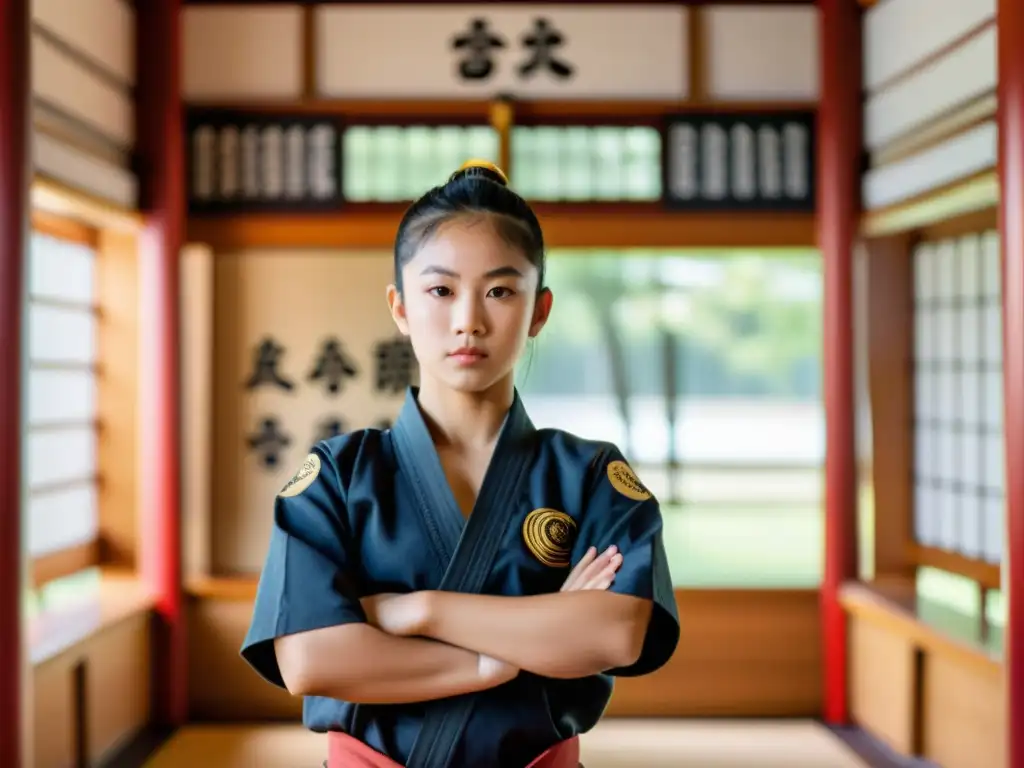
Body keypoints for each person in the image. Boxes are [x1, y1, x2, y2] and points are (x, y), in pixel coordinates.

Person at [240, 160, 680, 768]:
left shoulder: (588, 475)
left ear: (539, 311)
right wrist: (499, 657)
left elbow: (614, 634)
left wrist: (412, 611)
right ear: (399, 306)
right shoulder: (339, 476)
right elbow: (311, 660)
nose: (468, 320)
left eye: (500, 291)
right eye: (441, 290)